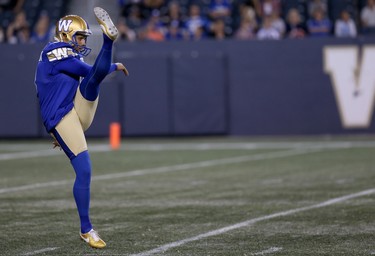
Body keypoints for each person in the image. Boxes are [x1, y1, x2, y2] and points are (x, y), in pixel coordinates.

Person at [34, 7, 129, 249]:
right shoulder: (54, 50)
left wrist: (111, 65)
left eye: (85, 38)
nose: (83, 42)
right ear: (66, 35)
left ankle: (109, 40)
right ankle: (86, 229)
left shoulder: (67, 54)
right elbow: (91, 71)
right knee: (84, 170)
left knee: (92, 81)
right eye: (80, 37)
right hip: (61, 116)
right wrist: (112, 63)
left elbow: (93, 74)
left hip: (75, 110)